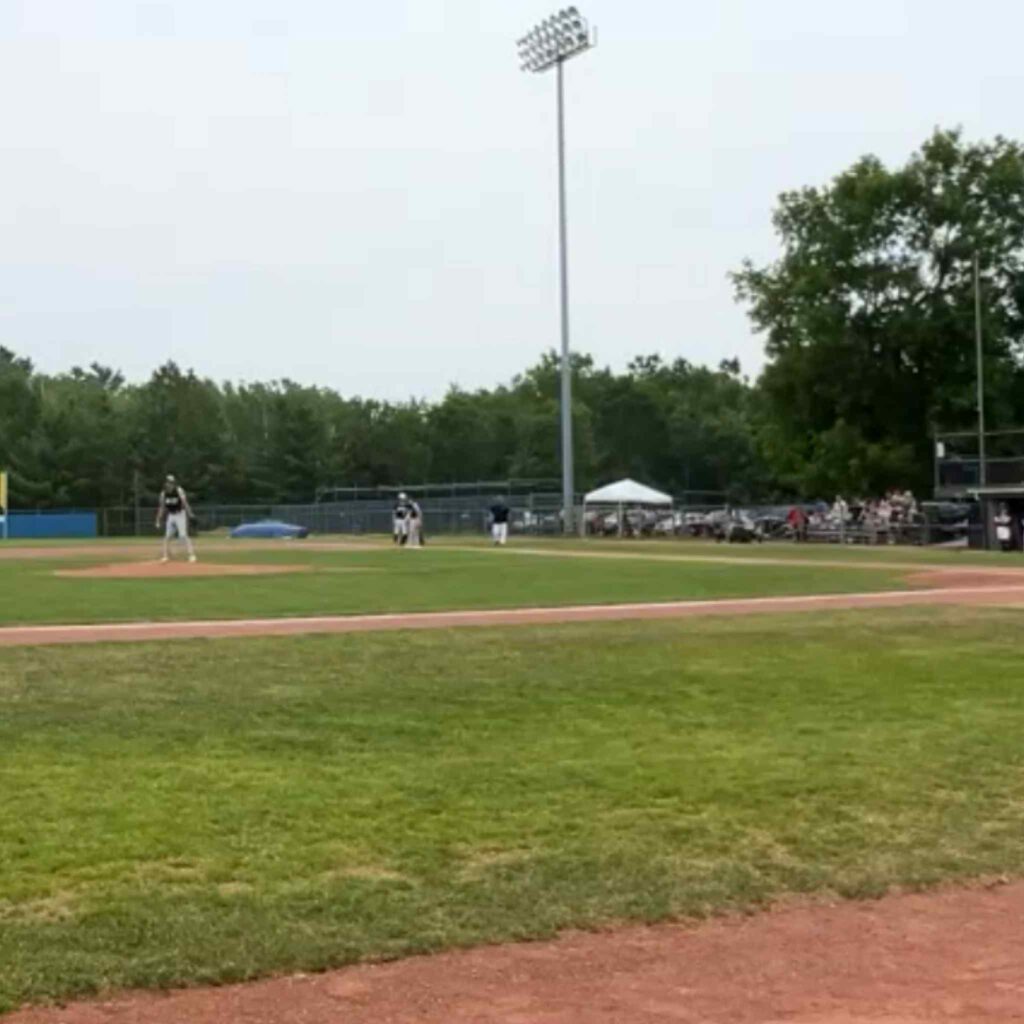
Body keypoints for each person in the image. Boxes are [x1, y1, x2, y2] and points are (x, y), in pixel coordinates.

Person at [156, 474, 197, 563]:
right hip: (171, 515)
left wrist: (190, 513)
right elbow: (162, 507)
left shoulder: (178, 490)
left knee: (183, 535)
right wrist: (158, 519)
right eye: (168, 482)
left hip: (180, 515)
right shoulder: (163, 494)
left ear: (174, 483)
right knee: (167, 536)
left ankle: (191, 555)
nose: (169, 484)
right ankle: (165, 556)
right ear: (165, 483)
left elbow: (185, 503)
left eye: (171, 482)